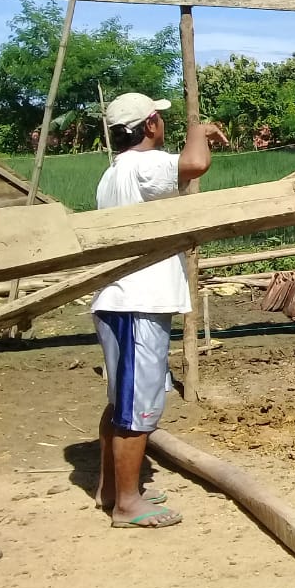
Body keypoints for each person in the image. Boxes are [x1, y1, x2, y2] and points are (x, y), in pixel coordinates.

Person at [93, 92, 228, 528]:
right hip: (138, 301)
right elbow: (195, 165)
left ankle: (113, 489)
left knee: (122, 401)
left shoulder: (114, 172)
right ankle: (127, 504)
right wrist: (199, 130)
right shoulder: (141, 164)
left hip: (122, 298)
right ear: (150, 124)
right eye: (160, 120)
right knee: (137, 406)